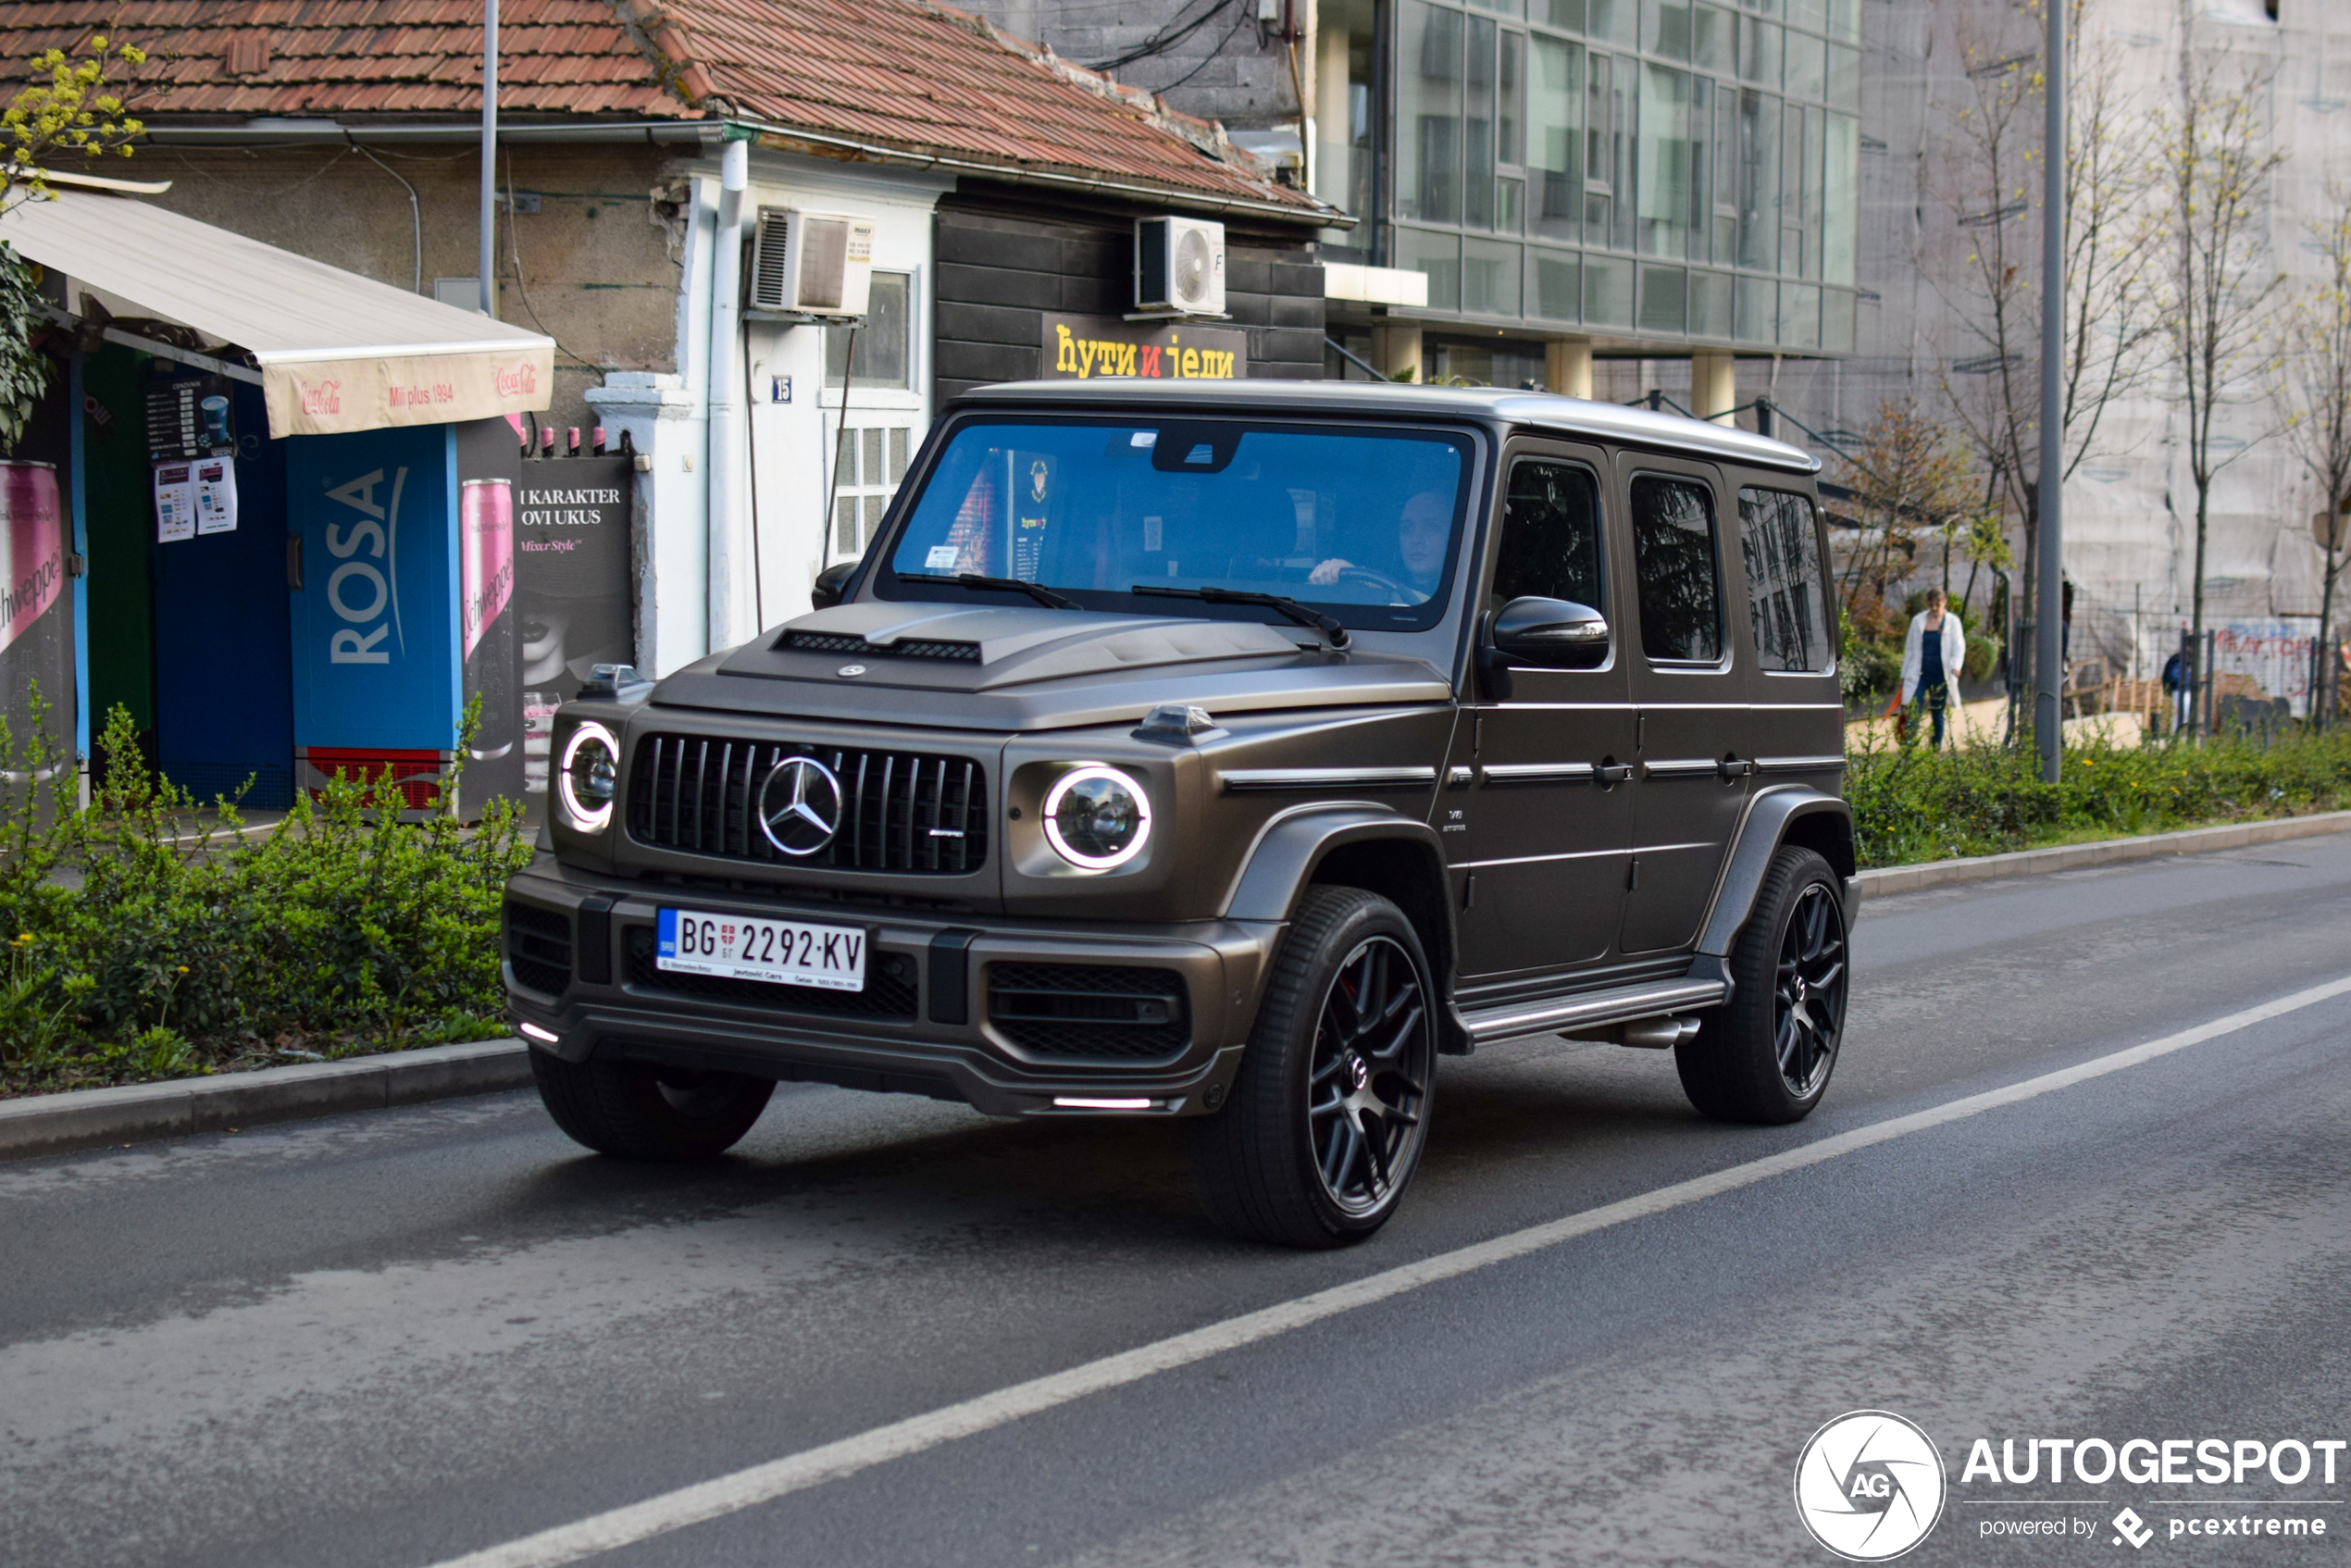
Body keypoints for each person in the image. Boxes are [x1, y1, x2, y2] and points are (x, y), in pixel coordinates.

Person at [1308, 490, 1451, 597]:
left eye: (1432, 527)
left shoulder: (1466, 591)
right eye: (1407, 529)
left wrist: (1363, 580)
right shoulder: (1395, 581)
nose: (1416, 539)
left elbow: (1427, 604)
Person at [1900, 588, 1966, 747]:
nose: (1934, 608)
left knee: (1937, 713)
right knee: (1914, 708)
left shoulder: (1952, 622)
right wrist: (1904, 675)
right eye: (1931, 604)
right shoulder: (1918, 621)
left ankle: (1935, 749)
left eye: (1938, 604)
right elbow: (1909, 648)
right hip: (1920, 674)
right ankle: (1908, 749)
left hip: (1941, 675)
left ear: (1944, 603)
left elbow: (1959, 646)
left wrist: (1956, 666)